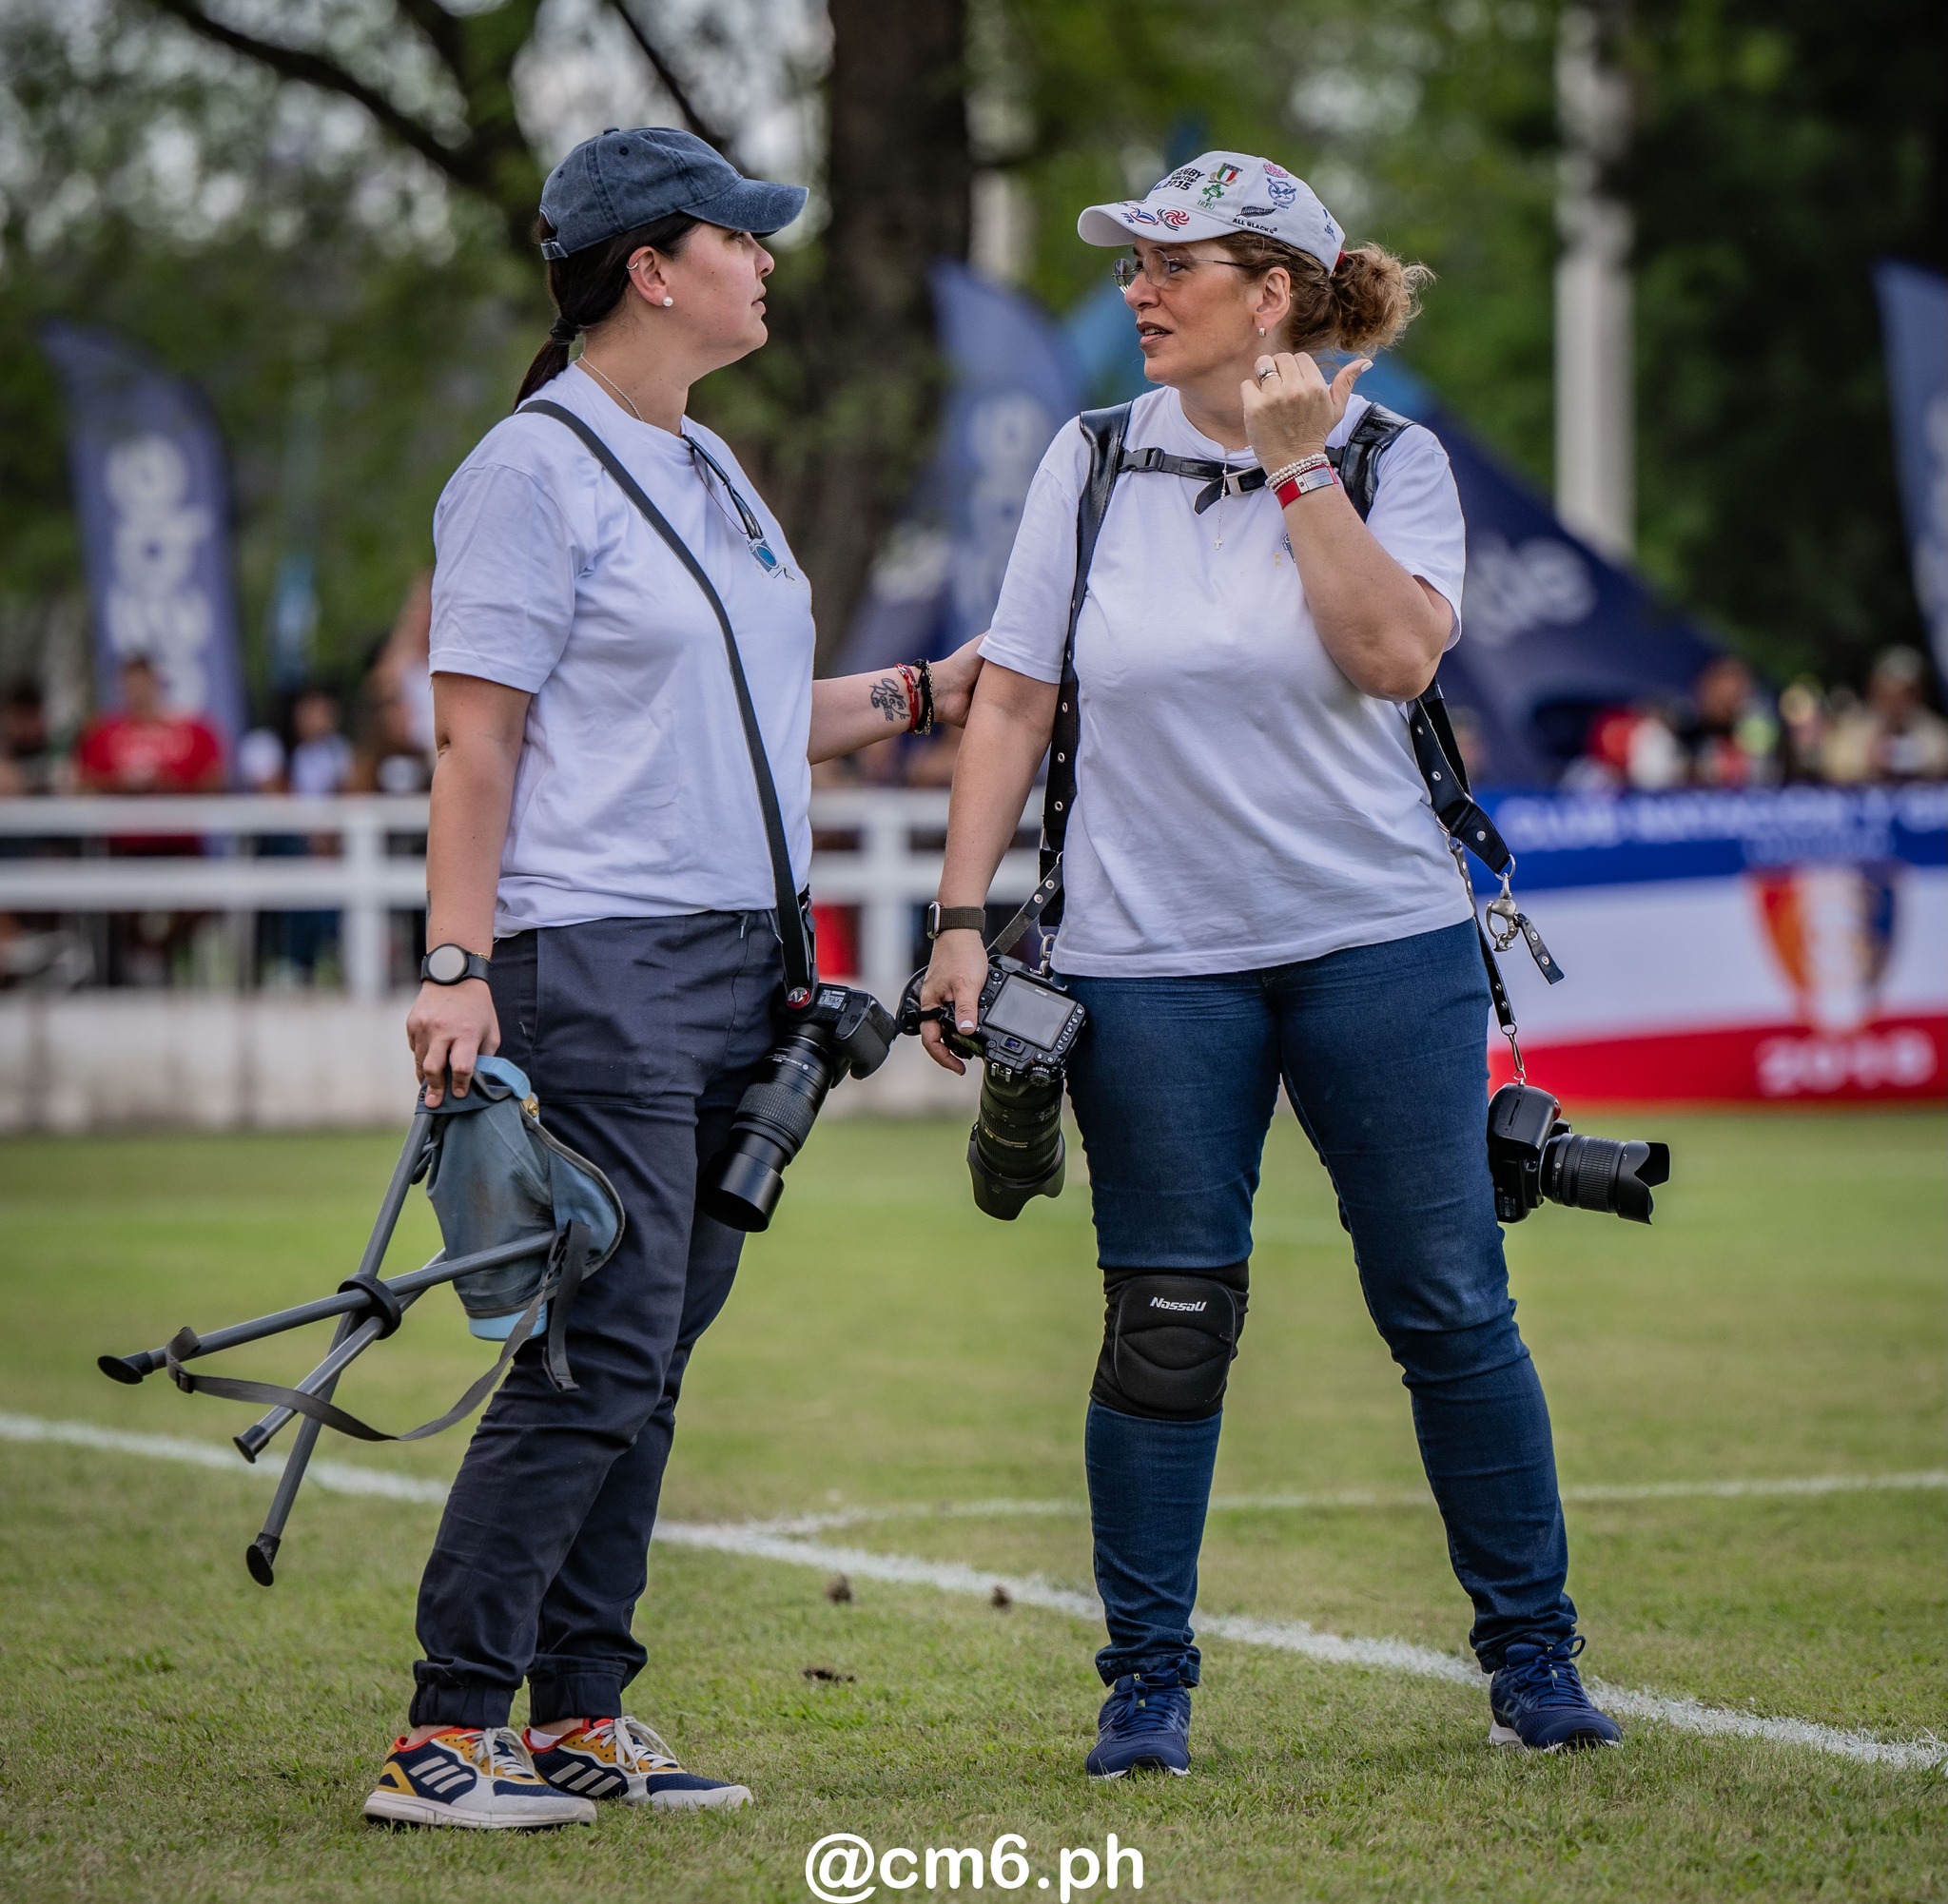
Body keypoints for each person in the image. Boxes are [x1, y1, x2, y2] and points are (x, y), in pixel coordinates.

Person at [920, 151, 1623, 1778]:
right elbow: (1013, 698)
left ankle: (1534, 1659)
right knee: (1165, 1317)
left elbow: (1394, 656)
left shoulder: (1390, 455)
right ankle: (1145, 1686)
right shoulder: (1092, 457)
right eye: (1134, 263)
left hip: (1381, 943)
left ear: (1276, 294)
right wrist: (958, 923)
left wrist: (1302, 473)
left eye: (1174, 264)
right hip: (1147, 962)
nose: (1139, 291)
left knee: (1449, 1302)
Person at [371, 126, 984, 1832]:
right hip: (599, 960)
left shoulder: (710, 460)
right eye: (740, 235)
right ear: (652, 268)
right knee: (605, 1342)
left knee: (653, 1350)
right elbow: (476, 741)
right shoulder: (529, 470)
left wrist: (935, 688)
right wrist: (454, 963)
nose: (767, 258)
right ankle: (445, 1730)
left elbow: (757, 721)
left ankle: (582, 1709)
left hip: (741, 964)